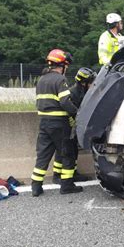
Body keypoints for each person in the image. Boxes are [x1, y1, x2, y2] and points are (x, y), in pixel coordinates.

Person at [31, 49, 83, 196]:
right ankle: (67, 186)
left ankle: (36, 186)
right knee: (67, 153)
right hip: (59, 123)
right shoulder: (60, 80)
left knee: (43, 154)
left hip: (44, 123)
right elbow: (65, 102)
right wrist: (77, 113)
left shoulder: (41, 80)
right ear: (62, 65)